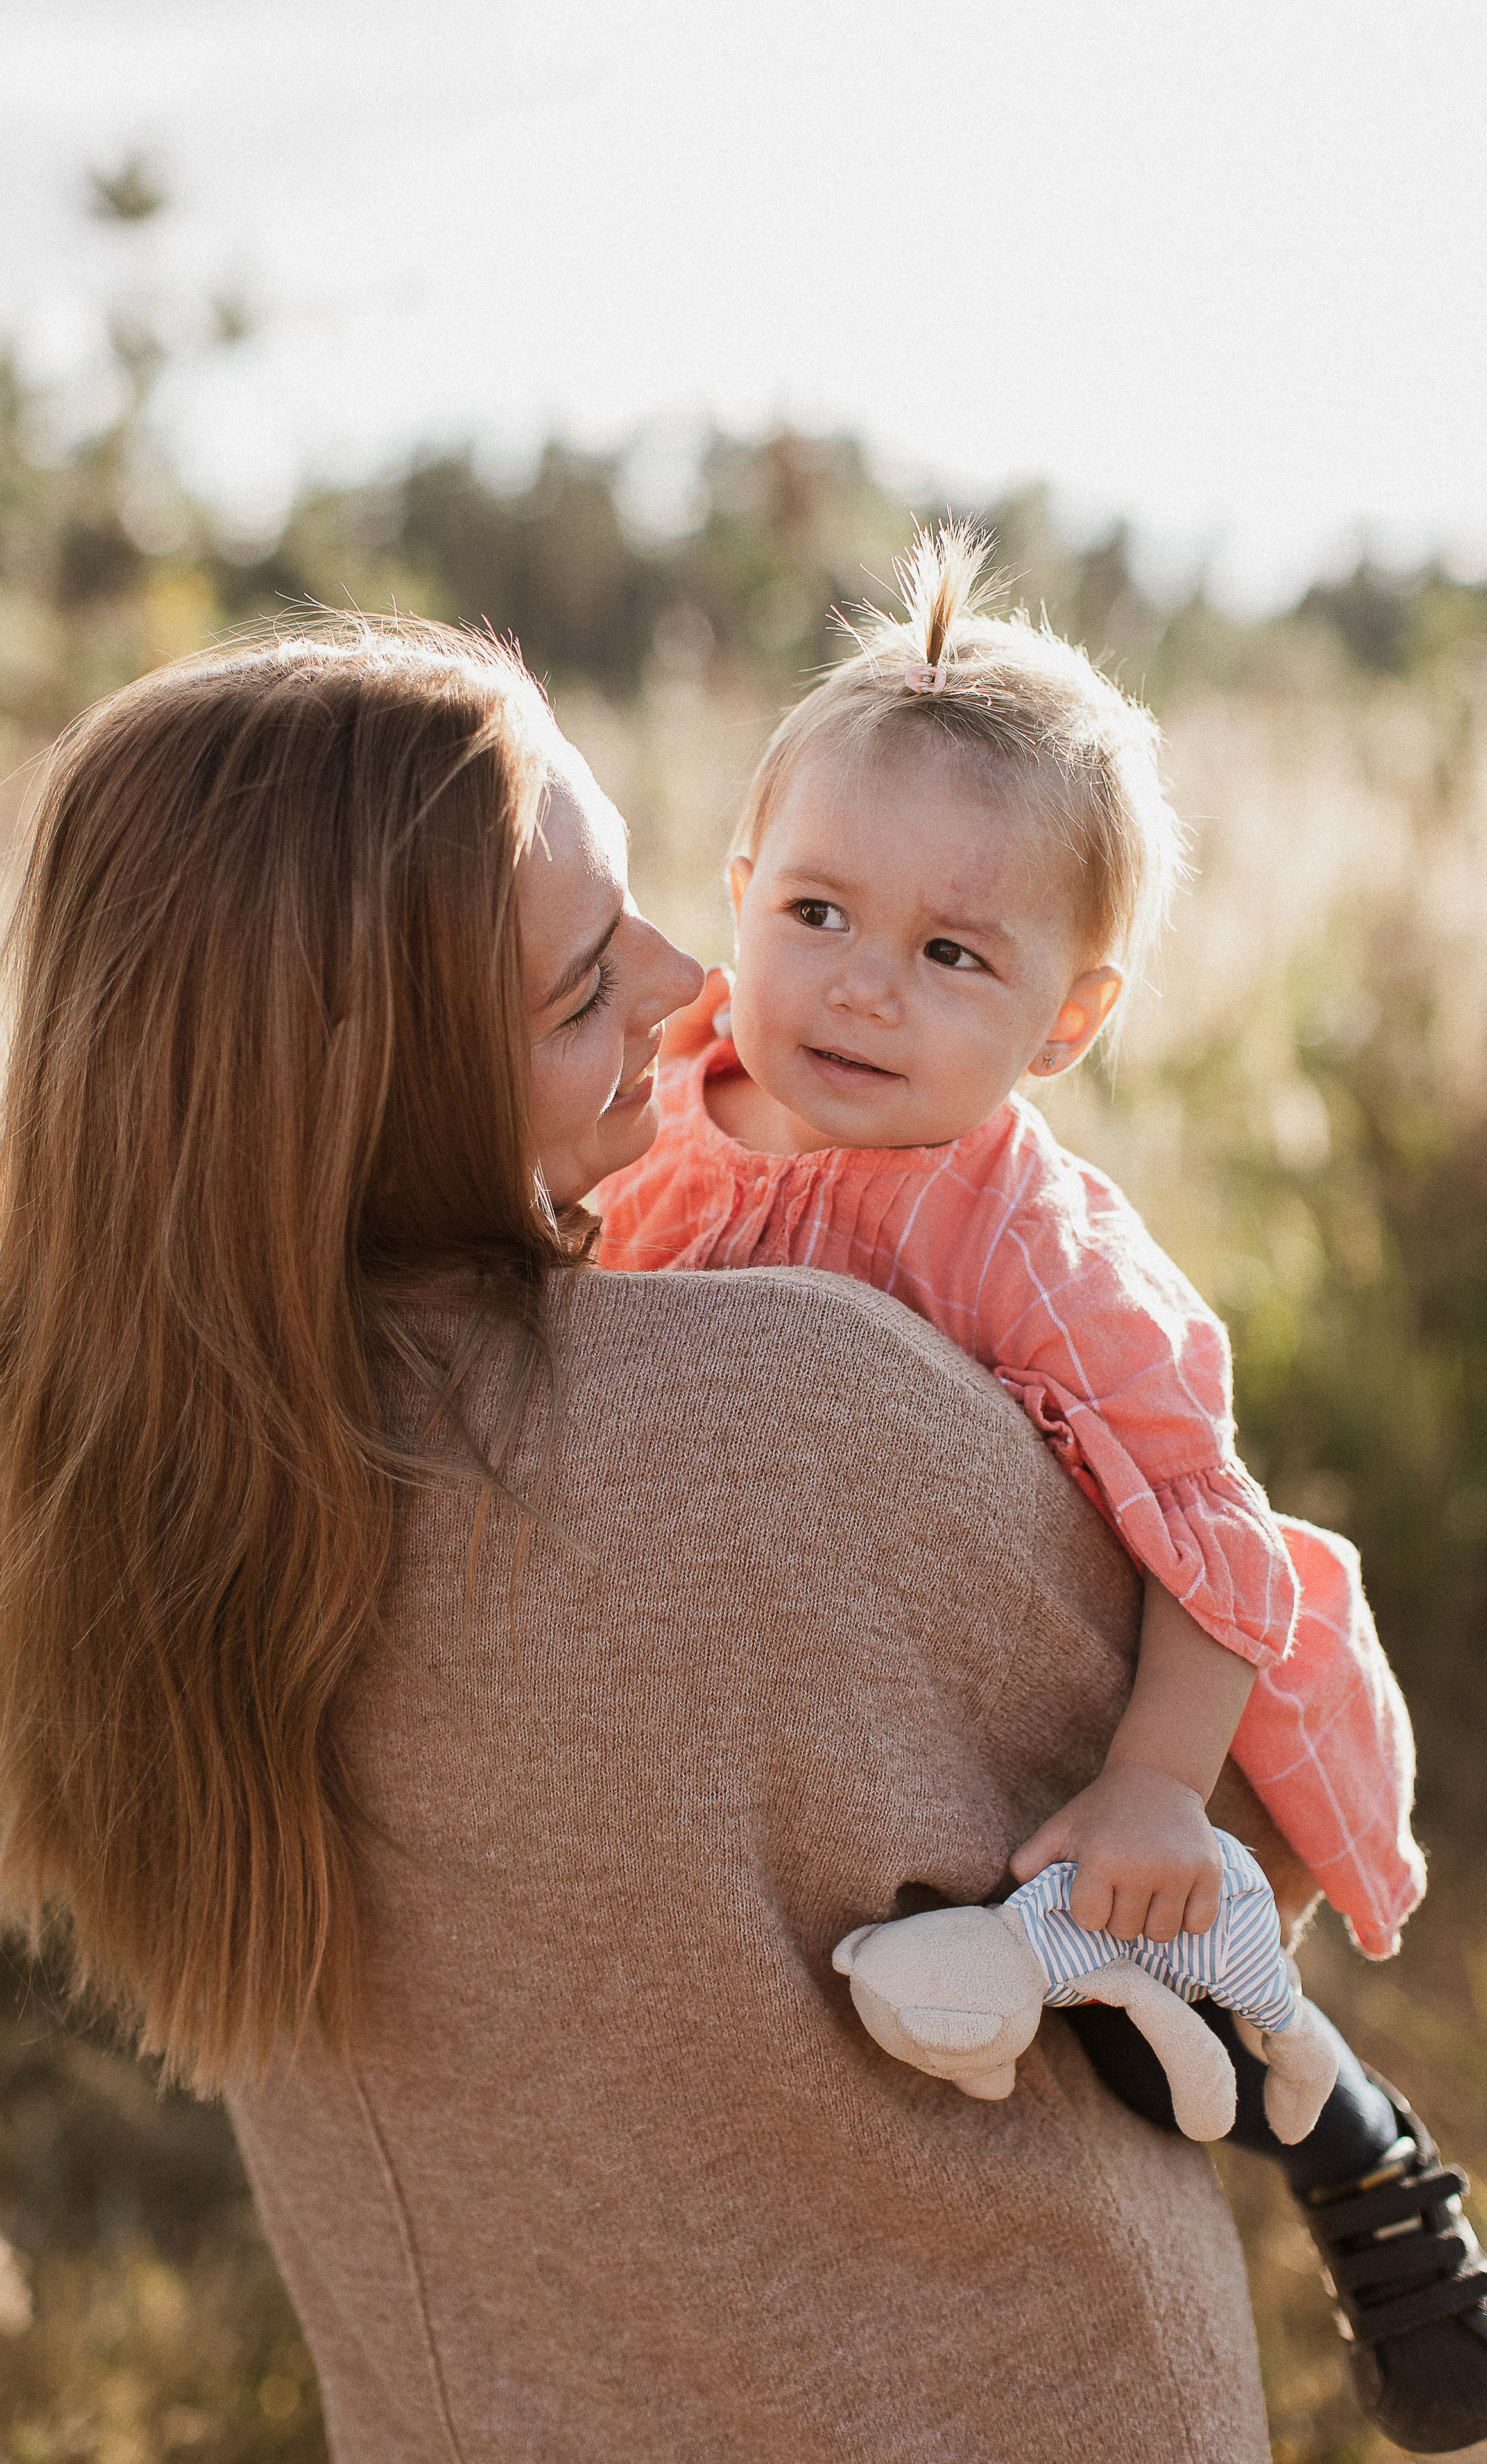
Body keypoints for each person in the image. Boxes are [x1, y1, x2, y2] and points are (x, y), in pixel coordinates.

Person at [0, 620, 1277, 2463]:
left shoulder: (132, 1495)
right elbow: (1215, 1863)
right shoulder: (795, 1410)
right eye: (587, 984)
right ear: (376, 1080)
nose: (696, 988)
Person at [591, 533, 1487, 2454]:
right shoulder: (649, 1088)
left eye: (951, 956)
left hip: (1078, 1689)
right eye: (818, 912)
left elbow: (1210, 1529)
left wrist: (1158, 1774)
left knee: (1146, 2000)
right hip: (782, 1666)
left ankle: (1350, 2136)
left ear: (1064, 1023)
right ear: (738, 893)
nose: (859, 990)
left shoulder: (1030, 1243)